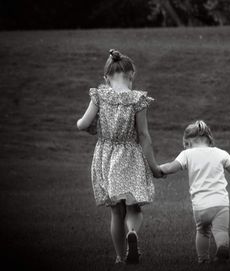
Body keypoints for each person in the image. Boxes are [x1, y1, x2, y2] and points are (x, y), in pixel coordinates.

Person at [77, 49, 163, 264]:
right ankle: (132, 231)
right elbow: (143, 135)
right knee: (134, 207)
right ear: (131, 75)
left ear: (106, 77)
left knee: (116, 212)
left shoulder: (99, 95)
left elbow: (83, 124)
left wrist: (92, 129)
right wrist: (153, 166)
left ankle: (118, 257)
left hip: (107, 157)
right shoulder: (137, 99)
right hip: (131, 156)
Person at [159, 120, 230, 264]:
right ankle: (222, 246)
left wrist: (158, 169)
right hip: (221, 203)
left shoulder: (187, 154)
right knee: (221, 231)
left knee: (202, 232)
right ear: (209, 139)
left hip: (200, 206)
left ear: (187, 142)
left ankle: (203, 260)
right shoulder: (221, 153)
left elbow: (171, 168)